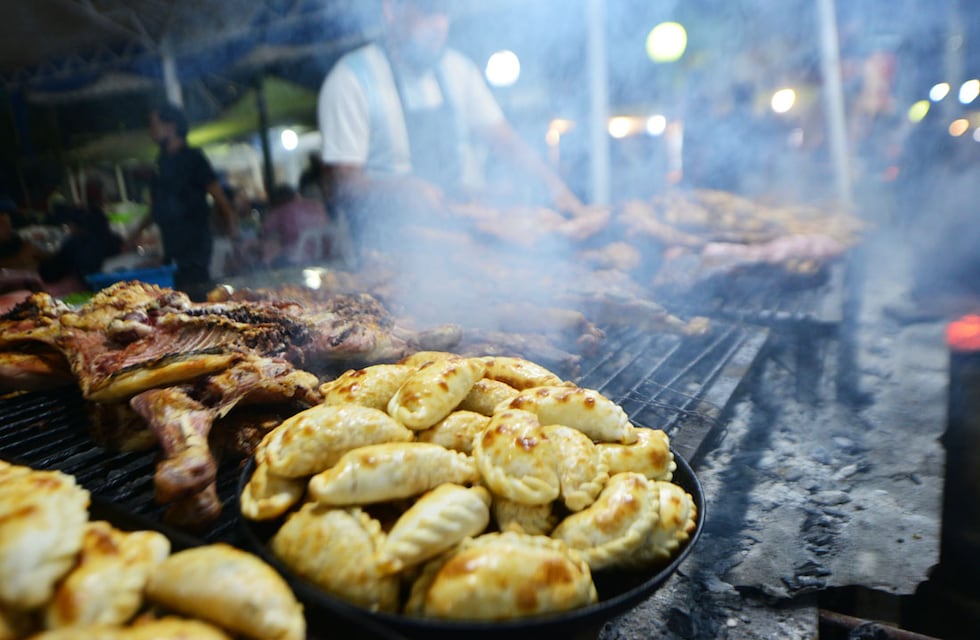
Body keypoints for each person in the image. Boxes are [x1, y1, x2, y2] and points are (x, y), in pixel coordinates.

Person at [316, 0, 595, 257]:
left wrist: (556, 189)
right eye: (428, 10)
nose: (440, 24)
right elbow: (341, 184)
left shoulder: (459, 71)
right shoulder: (352, 79)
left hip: (462, 254)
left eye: (445, 12)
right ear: (391, 10)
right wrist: (400, 191)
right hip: (386, 256)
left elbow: (506, 142)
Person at [127, 102, 239, 300]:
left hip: (195, 245)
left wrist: (231, 224)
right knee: (175, 297)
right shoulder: (161, 162)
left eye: (155, 124)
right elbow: (157, 207)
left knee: (197, 295)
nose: (151, 131)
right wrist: (135, 233)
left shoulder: (193, 158)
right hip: (171, 246)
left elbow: (218, 194)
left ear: (171, 127)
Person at [38, 180, 123, 292]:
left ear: (77, 226)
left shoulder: (76, 244)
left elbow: (55, 272)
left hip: (68, 290)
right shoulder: (114, 240)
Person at [261, 183, 332, 268]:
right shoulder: (317, 205)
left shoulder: (280, 211)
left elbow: (265, 232)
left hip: (297, 259)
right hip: (326, 256)